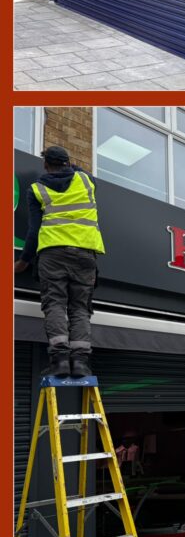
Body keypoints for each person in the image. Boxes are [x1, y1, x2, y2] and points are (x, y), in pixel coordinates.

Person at [14, 146, 105, 378]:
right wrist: (69, 165)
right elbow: (79, 170)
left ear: (46, 165)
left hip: (52, 255)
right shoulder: (86, 181)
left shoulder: (36, 189)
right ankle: (81, 363)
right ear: (67, 162)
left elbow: (33, 230)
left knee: (54, 304)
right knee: (80, 308)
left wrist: (24, 261)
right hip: (85, 254)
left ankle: (60, 362)